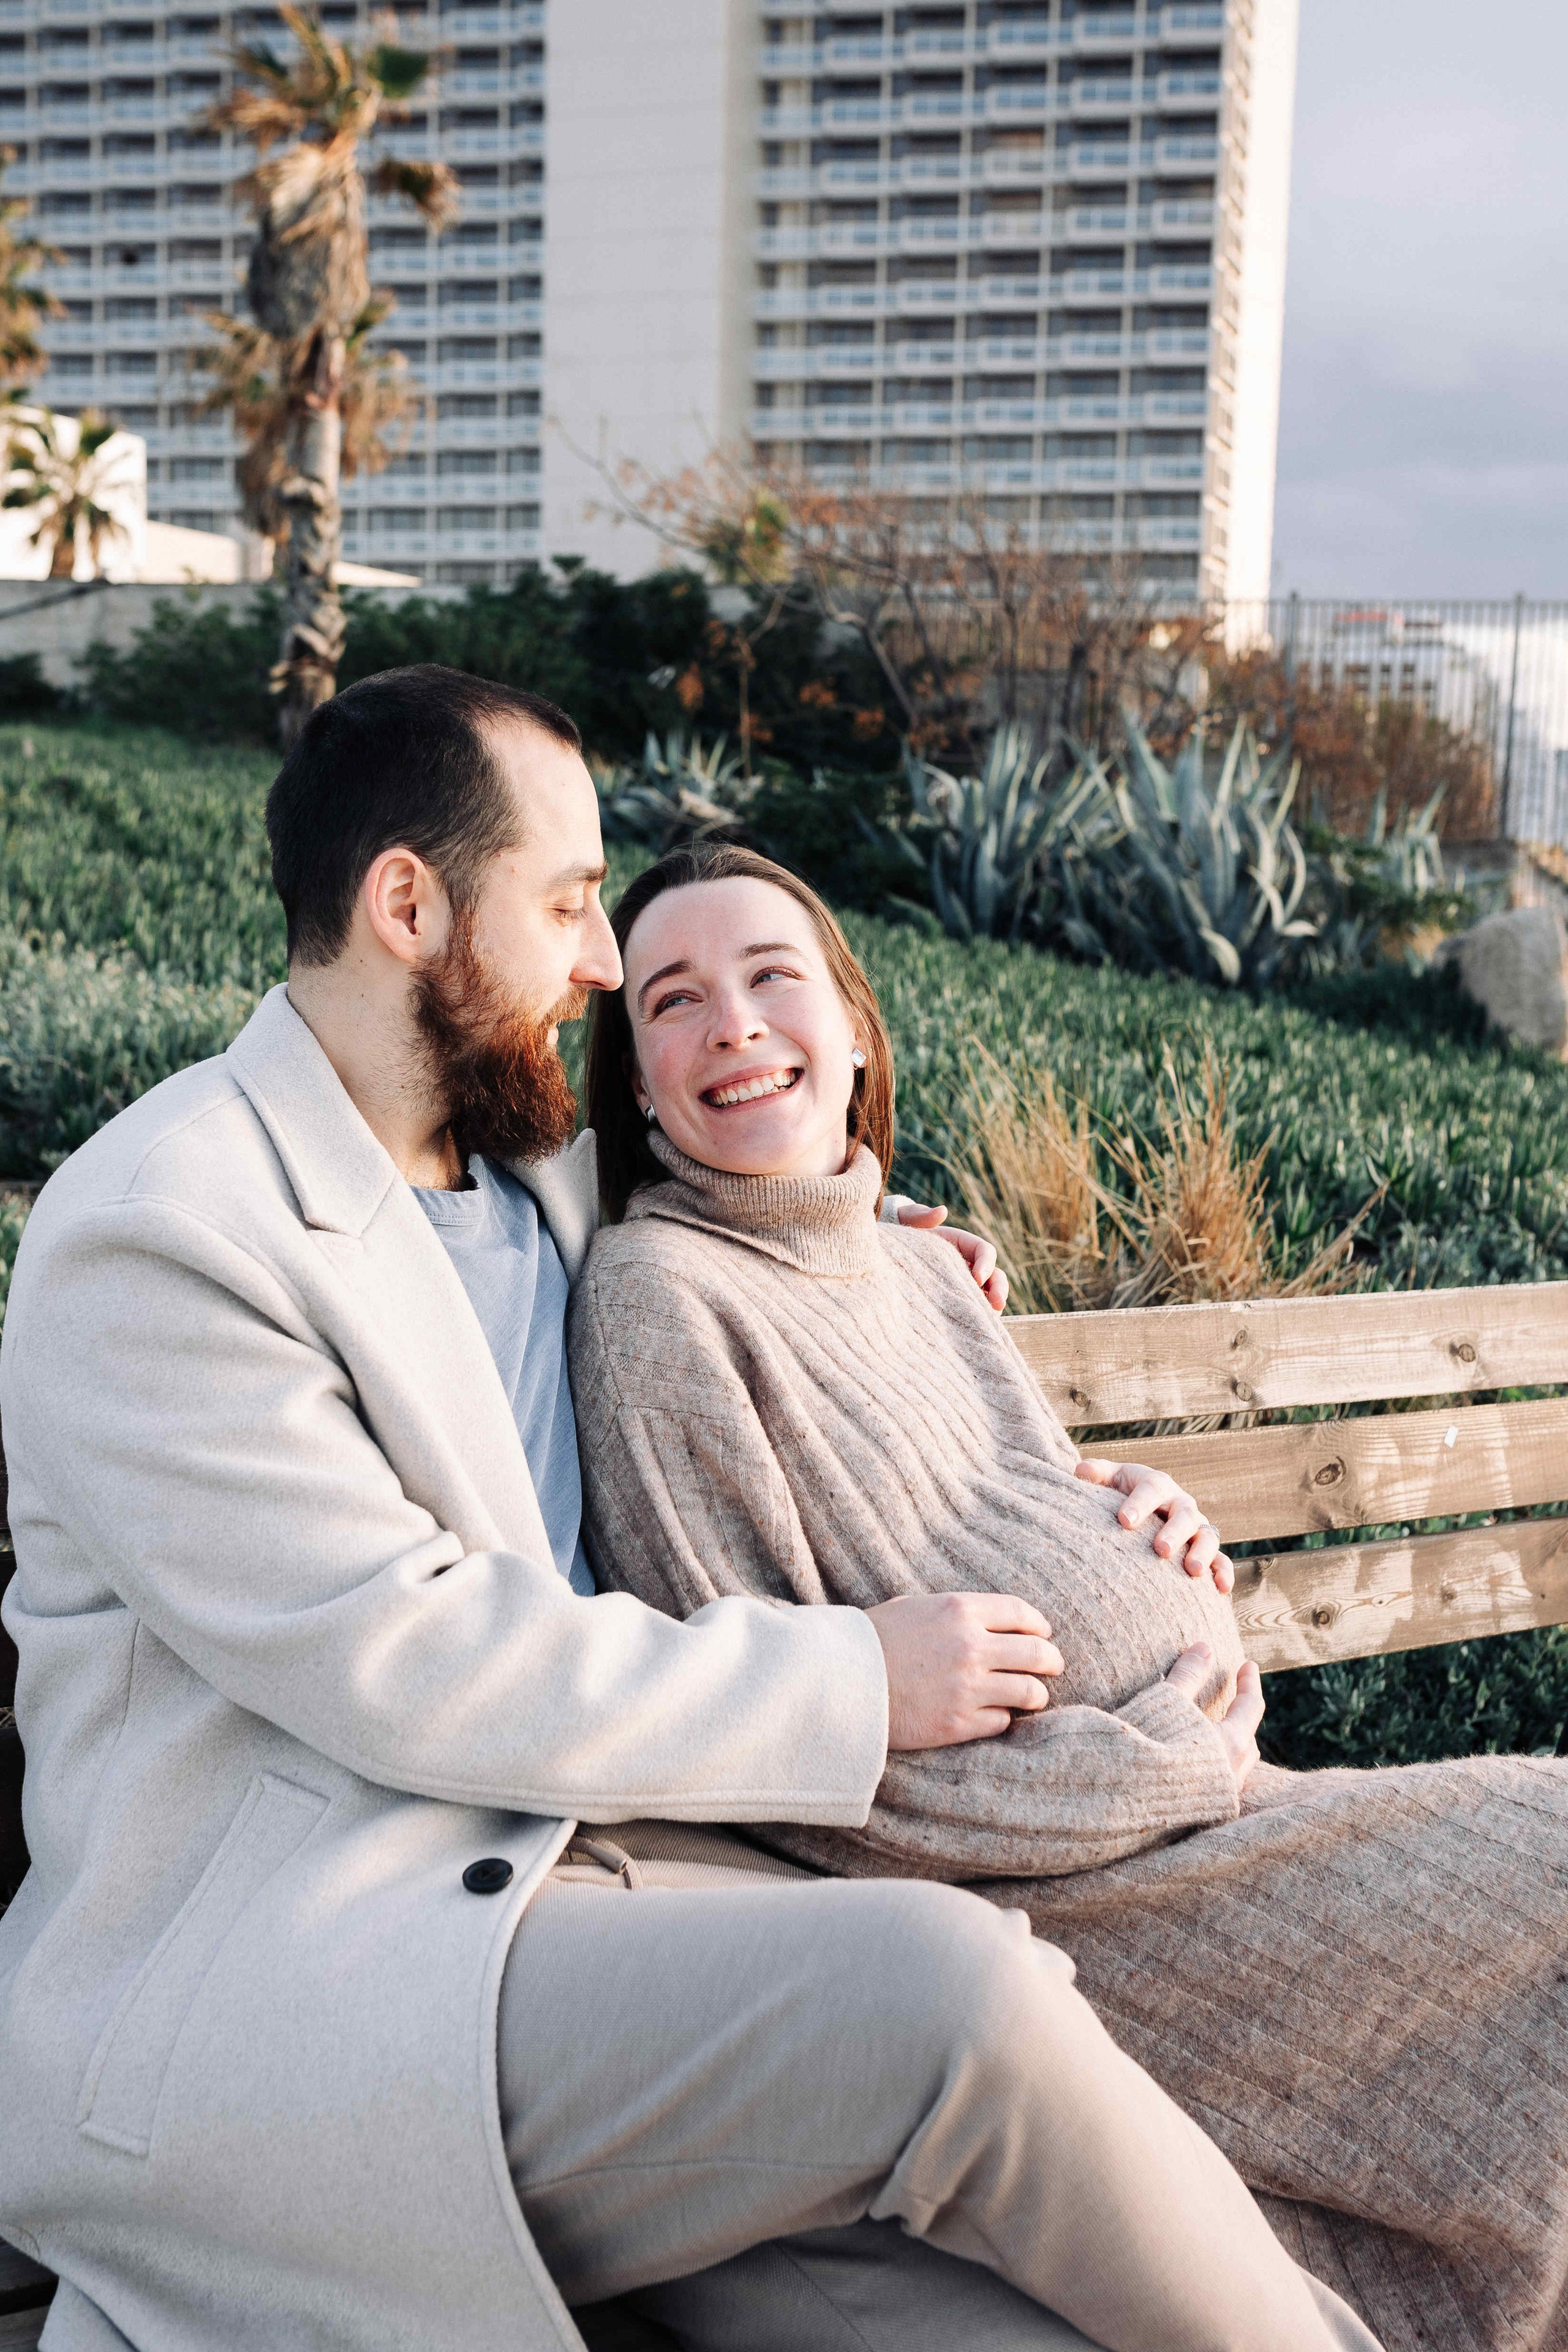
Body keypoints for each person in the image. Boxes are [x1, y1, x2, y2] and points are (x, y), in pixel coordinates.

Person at [0, 667, 1378, 2352]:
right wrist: (858, 1681)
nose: (600, 960)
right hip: (310, 1990)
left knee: (1020, 2324)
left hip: (611, 1918)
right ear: (409, 909)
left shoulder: (517, 1171)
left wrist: (889, 1262)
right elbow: (415, 1658)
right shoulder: (162, 1234)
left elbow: (757, 1203)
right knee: (953, 1995)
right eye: (569, 903)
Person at [571, 836, 1568, 2352]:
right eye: (673, 1001)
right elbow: (774, 1765)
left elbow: (1028, 1494)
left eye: (773, 977)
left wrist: (1142, 1527)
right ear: (639, 1084)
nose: (735, 1026)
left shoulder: (914, 1267)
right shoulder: (660, 1306)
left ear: (853, 1031)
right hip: (1066, 1898)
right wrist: (1165, 1754)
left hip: (1209, 1811)